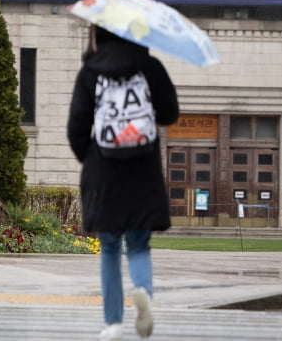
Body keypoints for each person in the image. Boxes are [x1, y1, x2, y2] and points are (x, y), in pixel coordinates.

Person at [67, 25, 179, 341]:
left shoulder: (90, 72)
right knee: (139, 243)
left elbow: (77, 126)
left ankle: (113, 324)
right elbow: (170, 113)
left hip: (103, 169)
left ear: (99, 36)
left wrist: (90, 158)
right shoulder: (150, 67)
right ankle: (142, 290)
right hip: (142, 167)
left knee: (110, 246)